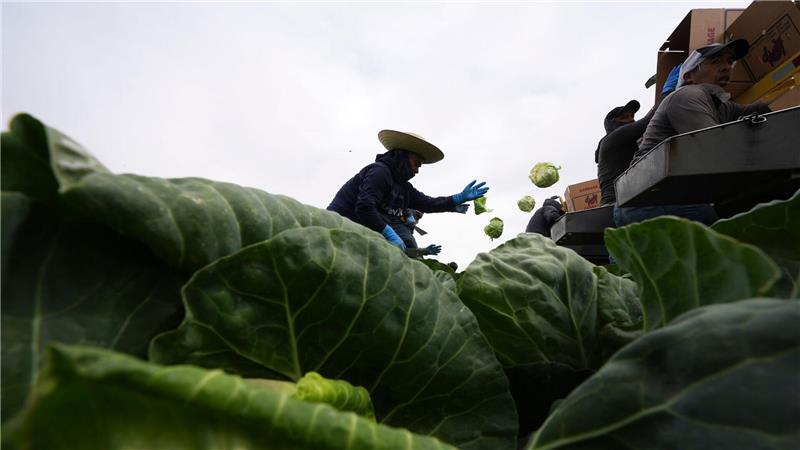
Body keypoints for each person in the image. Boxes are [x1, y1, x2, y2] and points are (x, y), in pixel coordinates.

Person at [615, 39, 771, 227]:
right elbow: (715, 146)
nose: (726, 67)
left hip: (663, 194)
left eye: (730, 61)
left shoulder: (720, 106)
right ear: (689, 76)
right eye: (716, 62)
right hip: (647, 199)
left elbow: (756, 110)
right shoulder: (687, 96)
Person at [327, 129, 488, 251]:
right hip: (334, 230)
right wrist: (387, 232)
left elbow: (428, 203)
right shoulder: (380, 172)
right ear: (403, 156)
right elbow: (364, 207)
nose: (417, 170)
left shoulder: (404, 188)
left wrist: (457, 198)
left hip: (357, 238)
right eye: (416, 164)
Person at [596, 100, 656, 206]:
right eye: (624, 117)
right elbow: (647, 122)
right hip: (617, 203)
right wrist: (667, 94)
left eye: (632, 116)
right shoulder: (614, 137)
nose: (631, 120)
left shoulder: (629, 142)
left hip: (624, 200)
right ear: (612, 123)